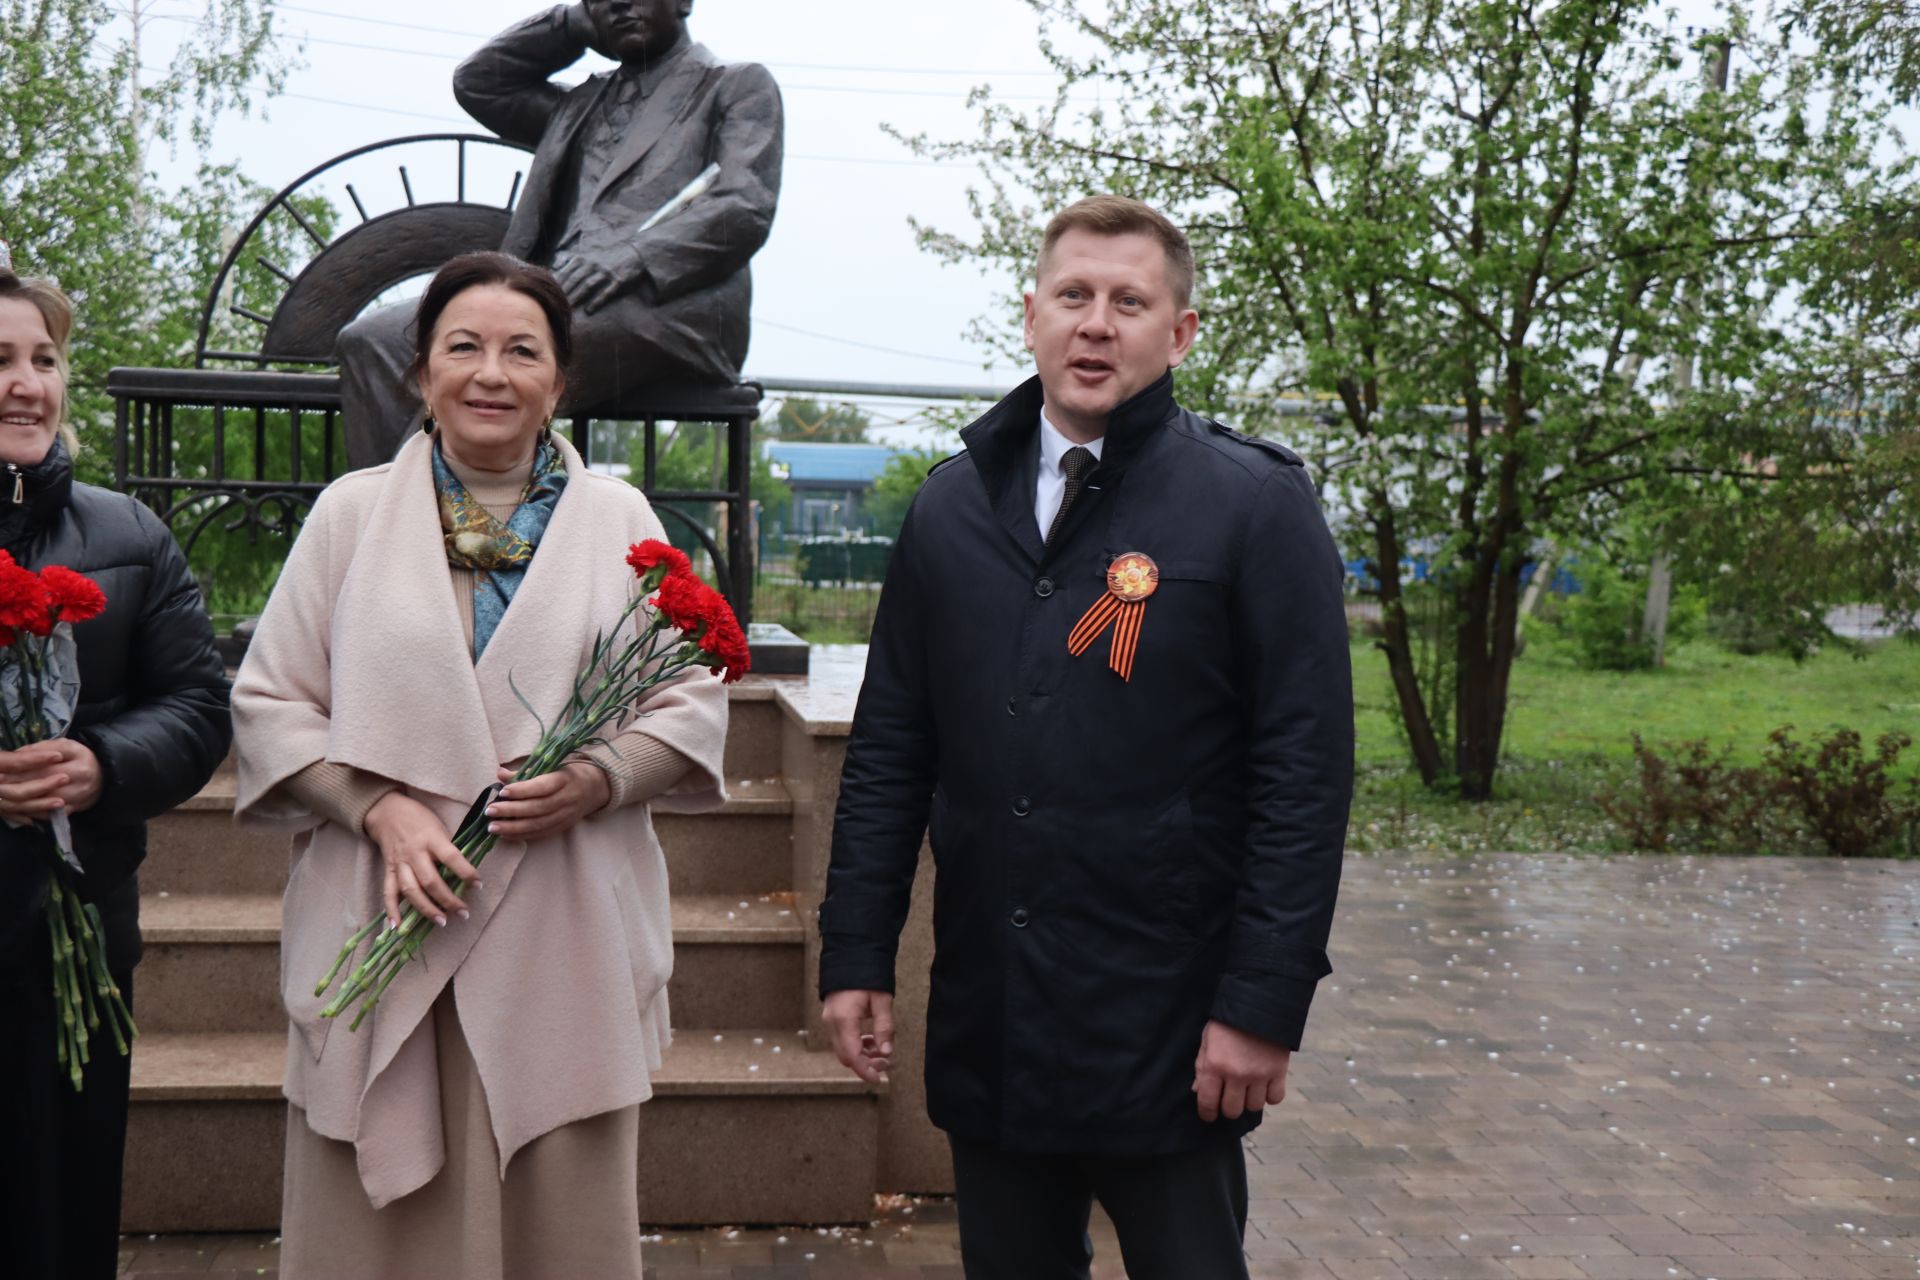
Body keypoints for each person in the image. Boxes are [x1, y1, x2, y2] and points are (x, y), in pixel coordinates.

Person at [817, 196, 1353, 1279]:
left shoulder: (1253, 504)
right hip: (996, 1010)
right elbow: (889, 753)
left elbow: (1303, 775)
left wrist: (1261, 1003)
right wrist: (858, 951)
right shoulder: (951, 509)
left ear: (1180, 332)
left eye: (1129, 302)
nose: (1096, 323)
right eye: (1073, 295)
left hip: (1169, 1020)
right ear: (1032, 317)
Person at [233, 251, 729, 1279]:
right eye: (463, 347)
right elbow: (272, 703)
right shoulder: (351, 515)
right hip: (385, 916)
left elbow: (687, 699)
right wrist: (377, 807)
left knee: (557, 1220)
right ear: (422, 374)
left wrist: (597, 777)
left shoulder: (622, 521)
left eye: (522, 351)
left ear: (561, 381)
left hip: (562, 930)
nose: (491, 373)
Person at [0, 267, 233, 1280]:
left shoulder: (129, 536)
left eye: (44, 359)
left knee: (65, 1205)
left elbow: (199, 707)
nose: (26, 384)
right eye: (0, 360)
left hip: (77, 938)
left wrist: (100, 763)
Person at [336, 0, 784, 467]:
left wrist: (630, 258)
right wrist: (569, 25)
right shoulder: (579, 104)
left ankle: (426, 508)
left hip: (666, 303)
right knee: (372, 340)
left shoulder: (734, 84)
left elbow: (745, 205)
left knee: (505, 358)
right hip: (555, 291)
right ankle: (383, 506)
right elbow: (480, 82)